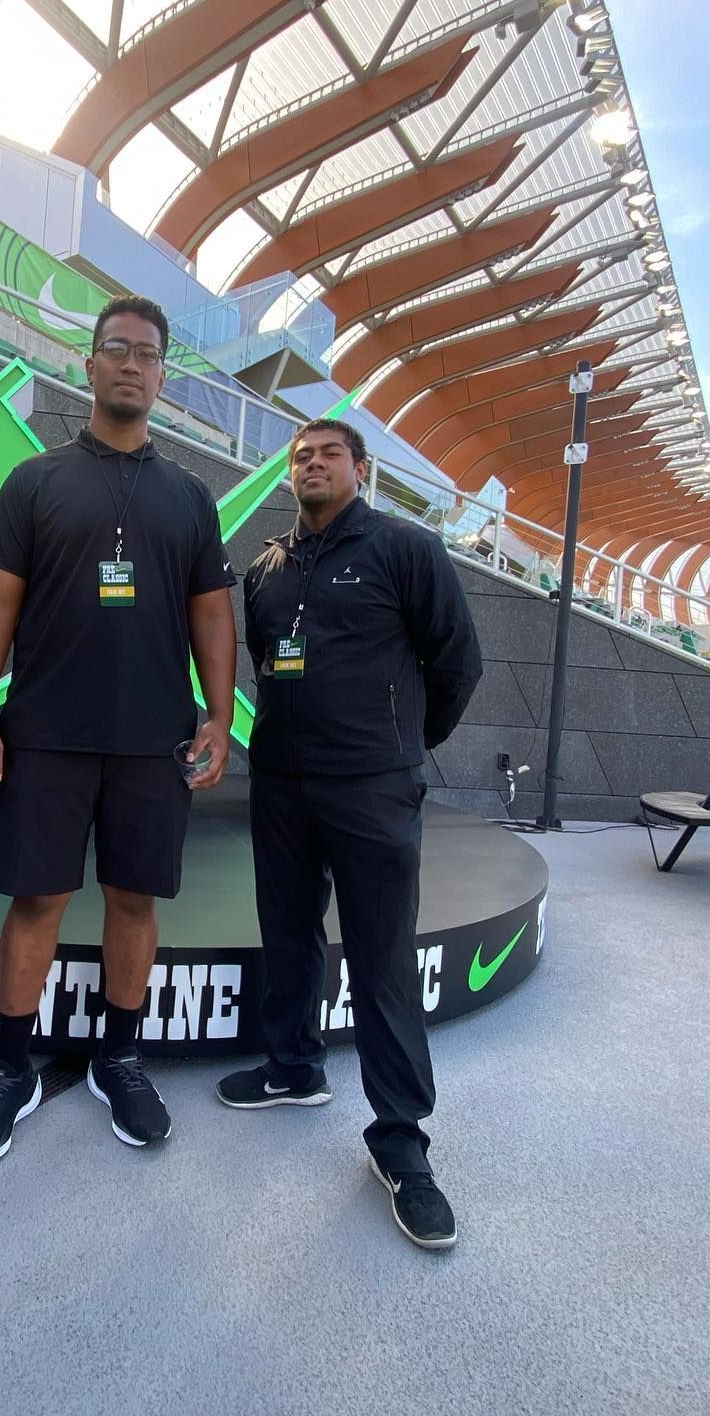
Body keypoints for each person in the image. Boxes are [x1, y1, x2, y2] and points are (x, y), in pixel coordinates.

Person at [0, 294, 237, 1164]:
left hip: (153, 739)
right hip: (43, 733)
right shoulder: (35, 481)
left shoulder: (189, 495)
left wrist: (219, 716)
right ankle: (11, 1068)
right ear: (88, 362)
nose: (132, 364)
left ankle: (121, 1055)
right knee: (36, 898)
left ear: (161, 376)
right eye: (117, 348)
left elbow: (213, 616)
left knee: (133, 899)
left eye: (148, 354)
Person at [216, 419, 482, 1251]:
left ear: (360, 471)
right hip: (284, 784)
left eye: (330, 454)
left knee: (381, 956)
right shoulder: (264, 568)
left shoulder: (406, 549)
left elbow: (457, 664)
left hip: (373, 788)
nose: (314, 465)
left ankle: (401, 1142)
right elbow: (266, 659)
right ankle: (293, 1066)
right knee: (288, 932)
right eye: (301, 457)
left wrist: (401, 746)